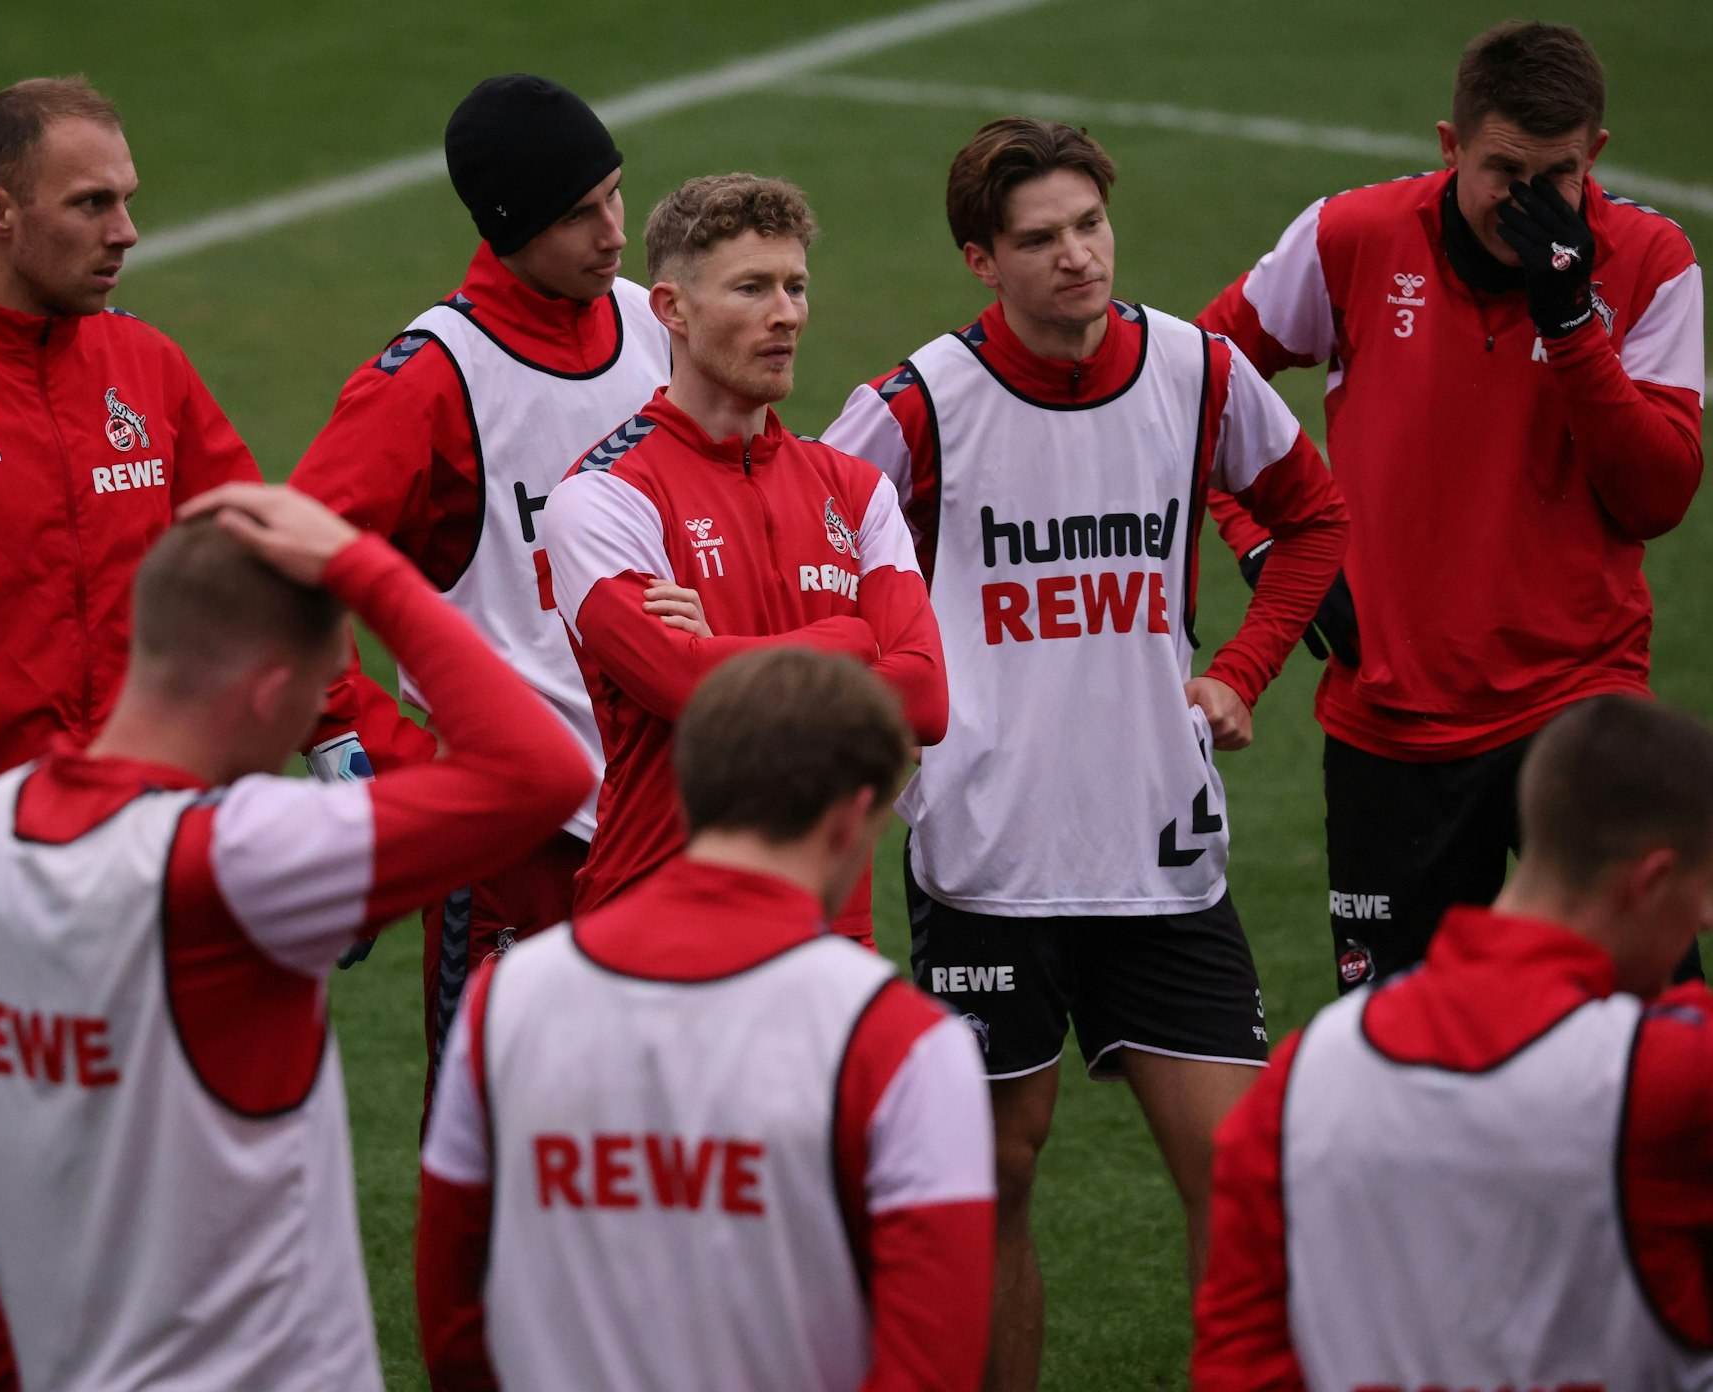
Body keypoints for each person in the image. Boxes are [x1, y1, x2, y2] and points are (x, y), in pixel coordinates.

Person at [822, 118, 1349, 1389]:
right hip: (987, 855)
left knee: (1233, 1176)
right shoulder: (913, 406)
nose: (1076, 258)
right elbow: (811, 543)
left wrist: (1240, 670)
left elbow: (1315, 517)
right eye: (1038, 239)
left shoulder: (1197, 371)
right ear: (977, 260)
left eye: (1088, 226)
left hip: (1156, 846)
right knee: (996, 1175)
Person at [0, 484, 593, 1391]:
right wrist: (366, 572)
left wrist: (16, 1366)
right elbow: (543, 771)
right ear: (270, 693)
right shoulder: (244, 859)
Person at [0, 75, 261, 1388]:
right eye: (92, 203)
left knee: (120, 1254)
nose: (126, 229)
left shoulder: (145, 369)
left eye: (128, 199)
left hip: (130, 900)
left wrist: (348, 746)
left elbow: (260, 570)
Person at [1196, 21, 1705, 993]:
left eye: (1553, 177)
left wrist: (1571, 331)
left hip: (1578, 703)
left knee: (1654, 1038)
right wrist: (1267, 543)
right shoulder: (1348, 237)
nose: (1525, 205)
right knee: (1405, 1070)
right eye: (1501, 171)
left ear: (1592, 156)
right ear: (1447, 146)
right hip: (1391, 722)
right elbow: (1184, 391)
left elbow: (1655, 498)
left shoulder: (1647, 259)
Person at [418, 647, 995, 1391]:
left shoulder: (500, 1001)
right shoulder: (905, 1047)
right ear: (853, 816)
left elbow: (456, 1327)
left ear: (691, 787)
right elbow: (929, 1365)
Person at [289, 74, 672, 1097]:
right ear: (508, 226)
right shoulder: (429, 377)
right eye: (577, 214)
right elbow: (289, 563)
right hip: (516, 844)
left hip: (669, 814)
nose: (613, 232)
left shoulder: (655, 327)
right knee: (500, 1150)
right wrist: (347, 739)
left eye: (615, 195)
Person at [1194, 695, 1713, 1389]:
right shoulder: (1673, 1076)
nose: (1706, 919)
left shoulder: (1296, 1082)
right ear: (1648, 882)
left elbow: (1240, 1365)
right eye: (1705, 892)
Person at [540, 173, 948, 944]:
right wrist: (851, 639)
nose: (787, 314)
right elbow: (685, 688)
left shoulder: (856, 492)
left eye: (796, 286)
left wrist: (721, 651)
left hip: (829, 934)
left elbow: (926, 699)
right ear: (673, 311)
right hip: (656, 923)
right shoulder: (601, 498)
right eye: (752, 288)